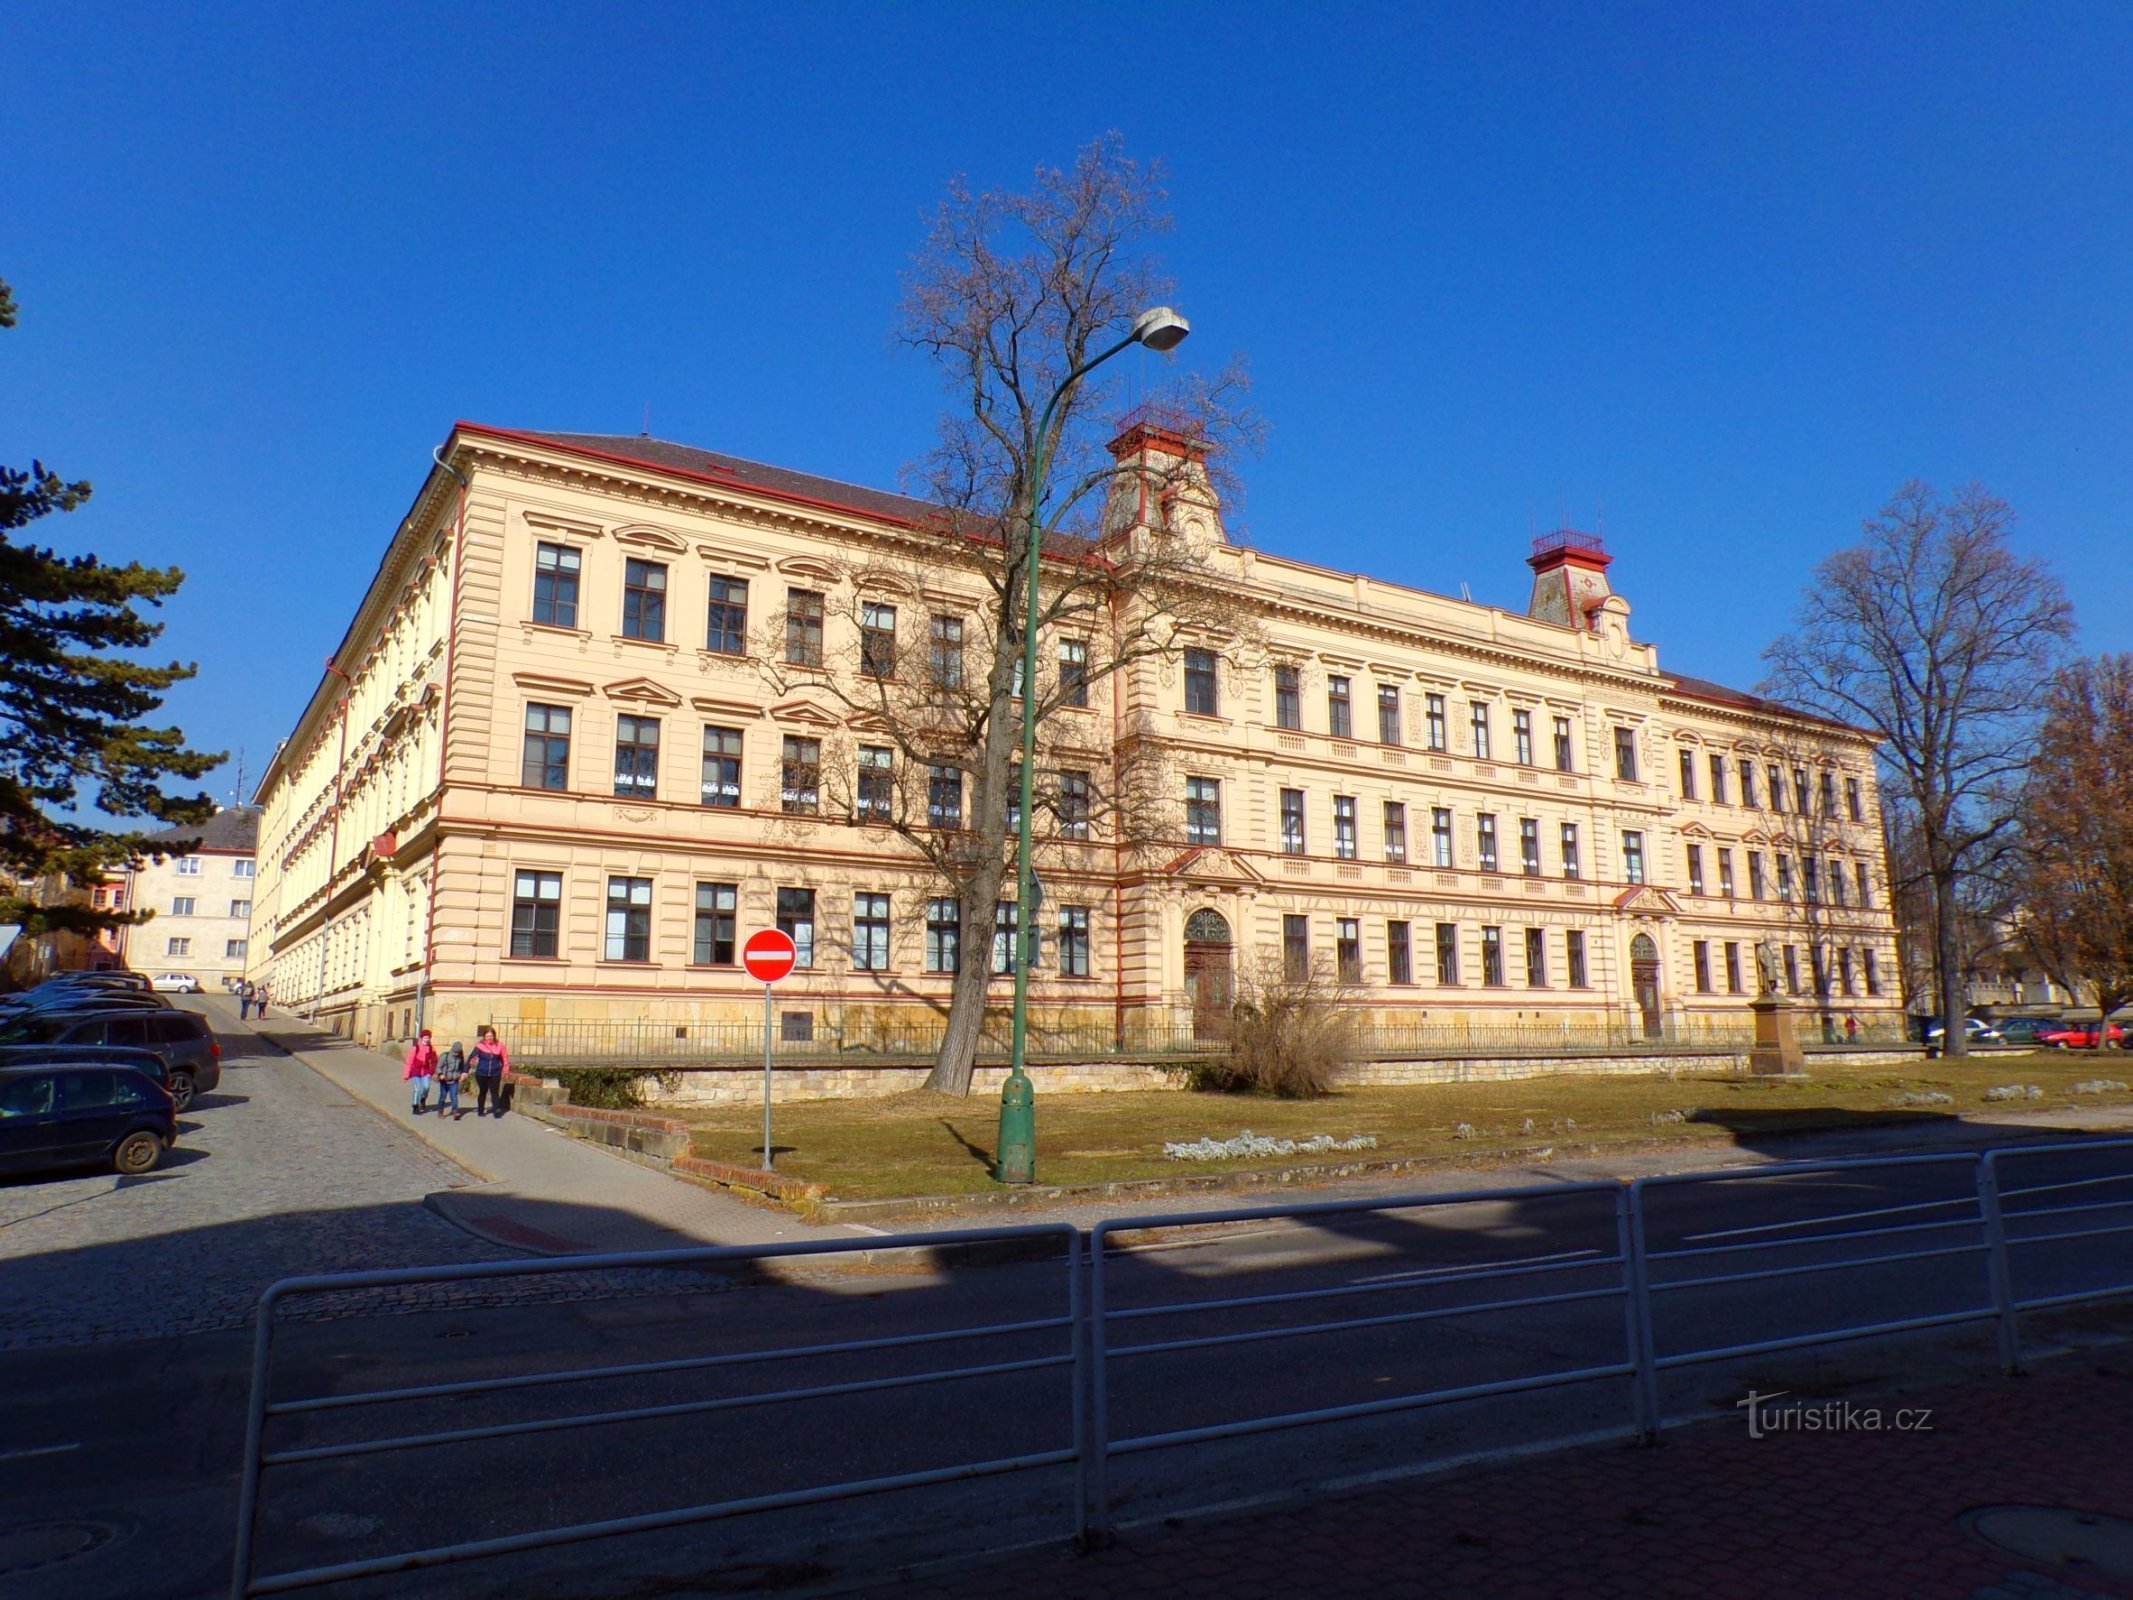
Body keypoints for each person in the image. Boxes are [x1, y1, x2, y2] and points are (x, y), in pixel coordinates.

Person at [470, 1025, 510, 1117]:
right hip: (481, 1073)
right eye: (487, 1036)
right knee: (483, 1091)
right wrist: (465, 1071)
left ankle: (496, 1110)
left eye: (491, 1036)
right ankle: (480, 1110)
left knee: (494, 1092)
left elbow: (505, 1058)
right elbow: (471, 1058)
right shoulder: (480, 1046)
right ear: (484, 1037)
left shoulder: (500, 1045)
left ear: (494, 1036)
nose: (489, 1038)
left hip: (495, 1072)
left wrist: (506, 1070)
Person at [403, 1029, 438, 1116]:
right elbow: (409, 1061)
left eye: (428, 1037)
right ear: (422, 1038)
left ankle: (423, 1099)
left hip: (426, 1072)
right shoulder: (416, 1048)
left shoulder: (431, 1049)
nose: (427, 1039)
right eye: (425, 1037)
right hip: (416, 1071)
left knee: (426, 1087)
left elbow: (434, 1061)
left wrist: (431, 1072)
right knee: (417, 1089)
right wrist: (406, 1075)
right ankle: (415, 1106)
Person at [435, 1042, 467, 1120]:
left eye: (457, 1053)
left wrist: (461, 1075)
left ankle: (455, 1111)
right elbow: (438, 1067)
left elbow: (462, 1068)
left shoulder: (460, 1058)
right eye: (454, 1052)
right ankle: (440, 1111)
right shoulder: (445, 1056)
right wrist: (440, 1074)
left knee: (454, 1096)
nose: (455, 1054)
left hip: (454, 1080)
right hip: (445, 1080)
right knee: (443, 1096)